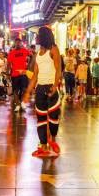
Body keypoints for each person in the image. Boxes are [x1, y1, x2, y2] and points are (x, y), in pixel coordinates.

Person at [23, 26, 62, 158]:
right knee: (41, 119)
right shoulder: (38, 53)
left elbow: (58, 70)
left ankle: (53, 140)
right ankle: (43, 145)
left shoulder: (54, 49)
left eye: (38, 35)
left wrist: (55, 86)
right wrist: (28, 92)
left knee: (53, 118)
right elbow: (35, 75)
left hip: (51, 88)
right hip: (40, 89)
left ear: (44, 36)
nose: (36, 37)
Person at [7, 37, 29, 112]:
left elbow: (32, 56)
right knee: (15, 91)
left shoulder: (25, 50)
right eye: (16, 42)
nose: (18, 44)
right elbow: (8, 64)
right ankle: (17, 104)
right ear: (14, 44)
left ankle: (22, 102)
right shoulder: (11, 53)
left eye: (19, 42)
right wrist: (7, 74)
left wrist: (29, 67)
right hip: (14, 74)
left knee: (25, 89)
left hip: (23, 73)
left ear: (21, 43)